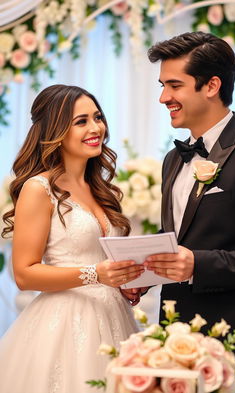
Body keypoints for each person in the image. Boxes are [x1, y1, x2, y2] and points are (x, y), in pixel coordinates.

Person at [0, 84, 144, 393]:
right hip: (65, 323)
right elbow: (24, 274)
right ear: (56, 130)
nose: (96, 128)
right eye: (81, 121)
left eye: (97, 117)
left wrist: (124, 278)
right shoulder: (39, 189)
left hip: (116, 316)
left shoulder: (101, 189)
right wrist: (96, 274)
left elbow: (104, 260)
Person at [143, 31, 235, 384]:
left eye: (174, 85)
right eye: (162, 86)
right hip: (174, 338)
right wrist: (144, 275)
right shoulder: (171, 160)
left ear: (211, 86)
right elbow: (175, 242)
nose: (164, 97)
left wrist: (198, 264)